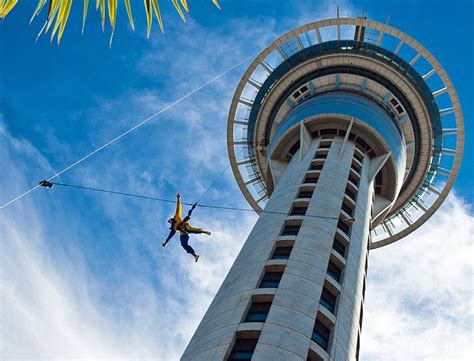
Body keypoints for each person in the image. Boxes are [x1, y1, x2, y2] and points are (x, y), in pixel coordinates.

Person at [162, 192, 211, 262]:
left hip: (185, 226)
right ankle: (195, 255)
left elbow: (178, 208)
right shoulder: (173, 227)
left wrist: (178, 198)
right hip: (183, 234)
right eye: (169, 222)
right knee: (183, 244)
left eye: (169, 220)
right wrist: (166, 242)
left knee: (189, 224)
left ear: (171, 219)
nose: (169, 222)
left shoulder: (176, 217)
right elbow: (170, 235)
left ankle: (204, 231)